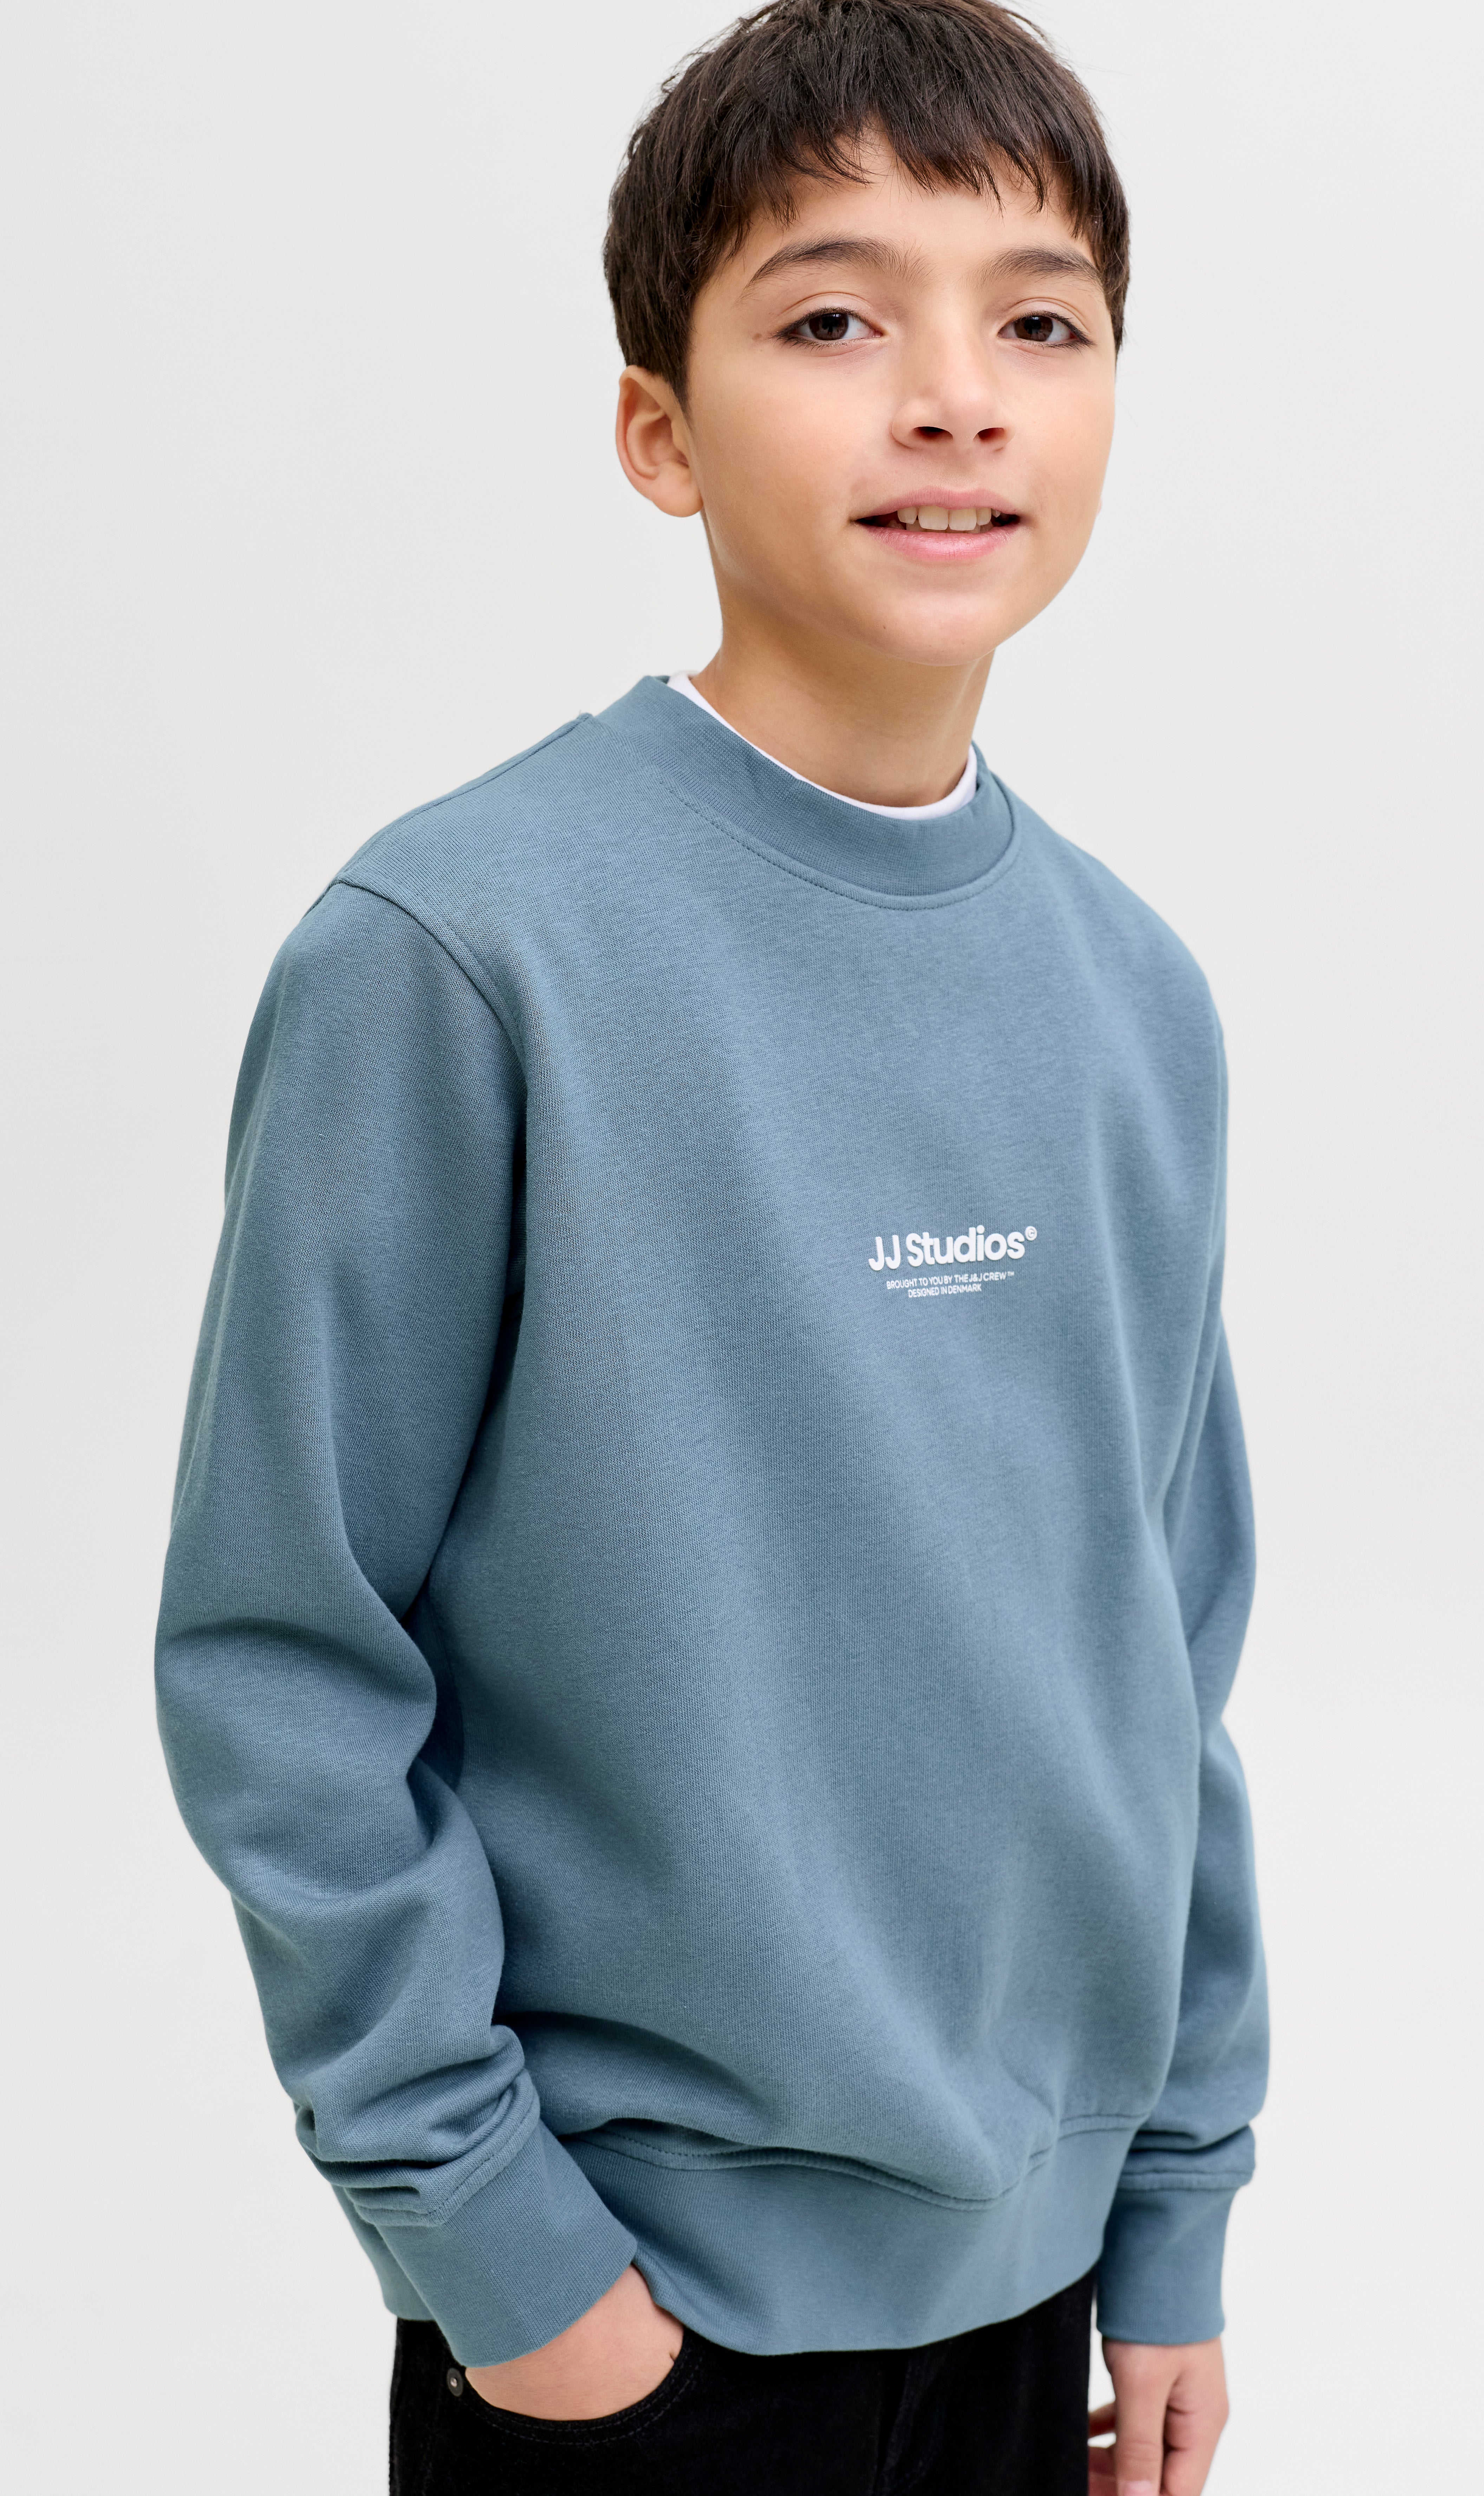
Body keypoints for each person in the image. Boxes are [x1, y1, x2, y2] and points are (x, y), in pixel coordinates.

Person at [154, 4, 1268, 2489]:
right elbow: (283, 1659)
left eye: (1041, 321)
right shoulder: (459, 954)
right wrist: (503, 2256)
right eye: (836, 316)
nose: (954, 399)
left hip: (1038, 2294)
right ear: (659, 429)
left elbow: (1162, 1665)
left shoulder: (1136, 997)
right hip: (627, 2319)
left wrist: (1176, 2202)